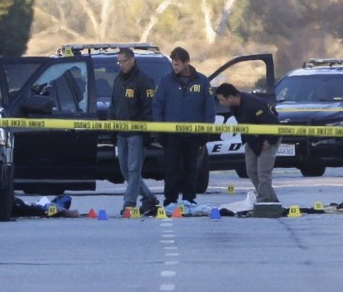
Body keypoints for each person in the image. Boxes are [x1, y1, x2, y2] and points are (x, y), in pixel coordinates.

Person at [152, 46, 215, 207]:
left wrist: (206, 133)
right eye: (173, 64)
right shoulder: (166, 81)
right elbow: (158, 106)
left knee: (191, 168)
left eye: (178, 64)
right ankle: (170, 200)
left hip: (193, 135)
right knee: (171, 169)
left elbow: (209, 108)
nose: (175, 68)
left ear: (187, 62)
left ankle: (189, 199)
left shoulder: (202, 81)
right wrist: (160, 131)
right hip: (171, 135)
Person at [108, 48, 160, 216]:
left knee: (133, 169)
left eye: (123, 61)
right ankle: (149, 197)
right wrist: (111, 128)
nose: (121, 65)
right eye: (119, 62)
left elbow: (148, 108)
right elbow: (113, 105)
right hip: (121, 132)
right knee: (124, 169)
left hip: (137, 133)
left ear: (132, 60)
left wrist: (147, 132)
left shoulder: (143, 80)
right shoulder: (118, 79)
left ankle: (129, 203)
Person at [215, 82, 281, 203]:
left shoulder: (253, 104)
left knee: (263, 172)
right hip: (252, 139)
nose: (220, 103)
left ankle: (265, 200)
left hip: (269, 138)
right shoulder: (234, 106)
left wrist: (269, 140)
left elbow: (273, 123)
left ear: (230, 97)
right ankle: (270, 199)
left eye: (221, 100)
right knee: (251, 170)